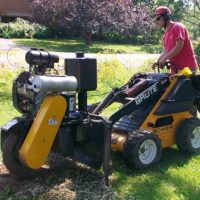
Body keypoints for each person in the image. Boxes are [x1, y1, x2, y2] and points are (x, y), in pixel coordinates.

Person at [152, 6, 198, 74]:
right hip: (175, 70)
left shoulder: (178, 27)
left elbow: (179, 46)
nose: (157, 21)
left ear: (166, 16)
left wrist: (164, 59)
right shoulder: (165, 35)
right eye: (155, 20)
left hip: (187, 69)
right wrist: (158, 61)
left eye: (158, 18)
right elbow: (165, 51)